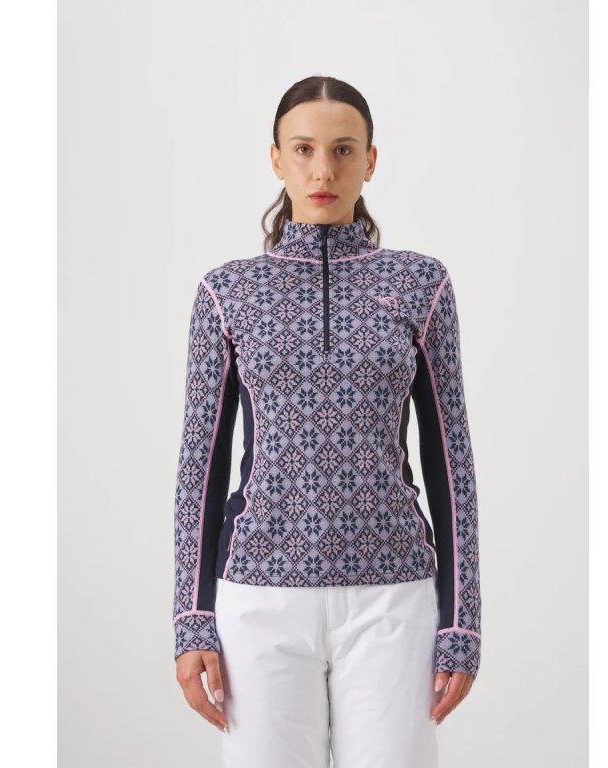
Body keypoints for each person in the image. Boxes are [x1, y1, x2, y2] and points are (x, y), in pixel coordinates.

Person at [171, 75, 482, 768]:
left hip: (393, 596)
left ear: (370, 161)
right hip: (259, 597)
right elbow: (201, 466)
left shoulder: (420, 284)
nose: (323, 171)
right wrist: (192, 619)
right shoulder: (227, 293)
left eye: (343, 150)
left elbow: (450, 462)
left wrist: (462, 621)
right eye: (304, 149)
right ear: (276, 159)